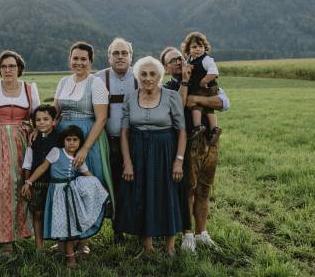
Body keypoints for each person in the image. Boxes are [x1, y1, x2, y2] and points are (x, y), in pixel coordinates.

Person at [117, 56, 189, 256]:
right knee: (142, 193)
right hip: (138, 150)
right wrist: (127, 162)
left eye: (152, 74)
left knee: (168, 194)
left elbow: (182, 131)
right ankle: (147, 247)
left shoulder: (172, 96)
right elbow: (124, 132)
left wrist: (178, 161)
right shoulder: (130, 97)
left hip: (165, 151)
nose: (148, 78)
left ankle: (169, 245)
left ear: (160, 76)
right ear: (137, 76)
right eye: (143, 74)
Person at [160, 46, 230, 254]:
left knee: (204, 188)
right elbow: (179, 109)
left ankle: (202, 233)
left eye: (180, 58)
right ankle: (187, 233)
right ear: (165, 67)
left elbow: (223, 102)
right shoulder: (166, 88)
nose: (178, 62)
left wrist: (197, 99)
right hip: (186, 141)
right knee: (187, 190)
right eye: (173, 61)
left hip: (209, 139)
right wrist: (185, 86)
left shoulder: (201, 77)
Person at [0, 50, 40, 256]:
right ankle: (4, 241)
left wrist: (38, 133)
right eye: (4, 66)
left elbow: (39, 117)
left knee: (21, 188)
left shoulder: (30, 89)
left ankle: (19, 233)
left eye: (12, 66)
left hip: (23, 144)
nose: (8, 70)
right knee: (0, 189)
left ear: (19, 68)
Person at [53, 42, 112, 256]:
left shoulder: (95, 84)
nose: (78, 62)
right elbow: (56, 112)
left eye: (83, 59)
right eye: (75, 58)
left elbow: (102, 118)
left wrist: (85, 148)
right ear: (70, 59)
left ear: (90, 61)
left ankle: (84, 240)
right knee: (63, 187)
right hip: (63, 138)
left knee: (86, 187)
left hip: (88, 136)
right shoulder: (63, 81)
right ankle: (64, 236)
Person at [21, 125, 108, 269]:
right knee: (65, 225)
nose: (72, 143)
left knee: (71, 224)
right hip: (58, 194)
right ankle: (69, 258)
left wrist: (101, 189)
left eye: (75, 140)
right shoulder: (57, 152)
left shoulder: (78, 158)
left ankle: (70, 256)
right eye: (69, 139)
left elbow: (88, 175)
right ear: (63, 141)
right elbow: (43, 167)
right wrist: (29, 181)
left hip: (72, 195)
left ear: (80, 142)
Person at [94, 37, 138, 244]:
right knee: (112, 184)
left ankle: (139, 225)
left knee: (135, 183)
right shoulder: (98, 78)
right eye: (116, 53)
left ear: (131, 56)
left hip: (136, 141)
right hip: (108, 141)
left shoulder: (142, 76)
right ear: (108, 56)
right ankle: (117, 228)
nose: (120, 57)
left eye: (124, 53)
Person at [22, 104, 60, 251]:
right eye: (38, 120)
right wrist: (27, 181)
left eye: (46, 119)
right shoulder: (33, 138)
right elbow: (28, 161)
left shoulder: (59, 138)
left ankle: (61, 244)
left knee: (56, 212)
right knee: (37, 212)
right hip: (36, 182)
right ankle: (39, 246)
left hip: (54, 182)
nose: (42, 122)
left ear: (53, 121)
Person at [181, 32, 221, 144]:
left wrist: (204, 81)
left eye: (201, 46)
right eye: (194, 47)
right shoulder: (190, 60)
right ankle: (214, 129)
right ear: (188, 49)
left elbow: (214, 72)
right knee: (208, 109)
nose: (198, 49)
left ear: (205, 48)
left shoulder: (206, 59)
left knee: (195, 105)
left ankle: (198, 126)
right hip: (201, 88)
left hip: (207, 87)